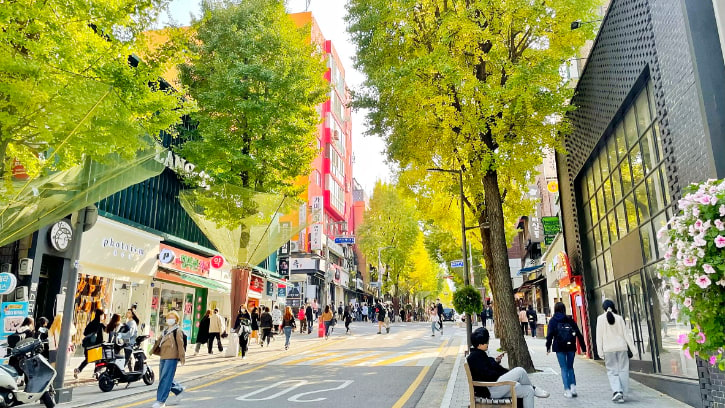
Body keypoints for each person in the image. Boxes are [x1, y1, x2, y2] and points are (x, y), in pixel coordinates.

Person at [467, 327, 550, 408]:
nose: (488, 344)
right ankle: (534, 388)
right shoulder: (475, 357)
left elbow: (487, 368)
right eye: (486, 342)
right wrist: (508, 376)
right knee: (519, 371)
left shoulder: (478, 354)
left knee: (528, 391)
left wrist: (495, 361)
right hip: (490, 389)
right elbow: (489, 375)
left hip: (494, 386)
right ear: (480, 344)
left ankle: (532, 389)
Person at [597, 299, 636, 404]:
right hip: (621, 348)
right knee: (623, 370)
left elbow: (599, 337)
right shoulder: (619, 318)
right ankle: (623, 393)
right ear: (613, 307)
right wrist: (633, 349)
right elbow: (626, 334)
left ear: (603, 308)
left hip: (608, 349)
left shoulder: (600, 319)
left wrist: (600, 352)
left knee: (612, 371)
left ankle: (617, 391)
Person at [545, 302, 587, 398]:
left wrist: (548, 347)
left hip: (559, 348)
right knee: (570, 367)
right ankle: (573, 388)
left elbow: (549, 336)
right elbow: (578, 334)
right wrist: (584, 348)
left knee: (563, 369)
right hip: (570, 347)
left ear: (555, 309)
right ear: (564, 309)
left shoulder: (552, 321)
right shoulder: (569, 319)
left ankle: (567, 390)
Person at [152, 311, 185, 408]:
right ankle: (178, 389)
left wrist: (182, 357)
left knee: (165, 379)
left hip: (172, 357)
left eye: (172, 317)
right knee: (164, 378)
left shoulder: (177, 331)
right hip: (163, 356)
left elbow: (180, 345)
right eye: (168, 317)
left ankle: (161, 401)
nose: (169, 319)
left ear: (176, 320)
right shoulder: (165, 331)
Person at [74, 309, 105, 379]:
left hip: (88, 345)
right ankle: (96, 373)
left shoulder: (91, 323)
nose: (103, 317)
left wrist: (91, 335)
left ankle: (78, 370)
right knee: (99, 359)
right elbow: (106, 332)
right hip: (97, 345)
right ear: (100, 315)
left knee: (88, 359)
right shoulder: (100, 325)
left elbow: (85, 333)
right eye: (103, 315)